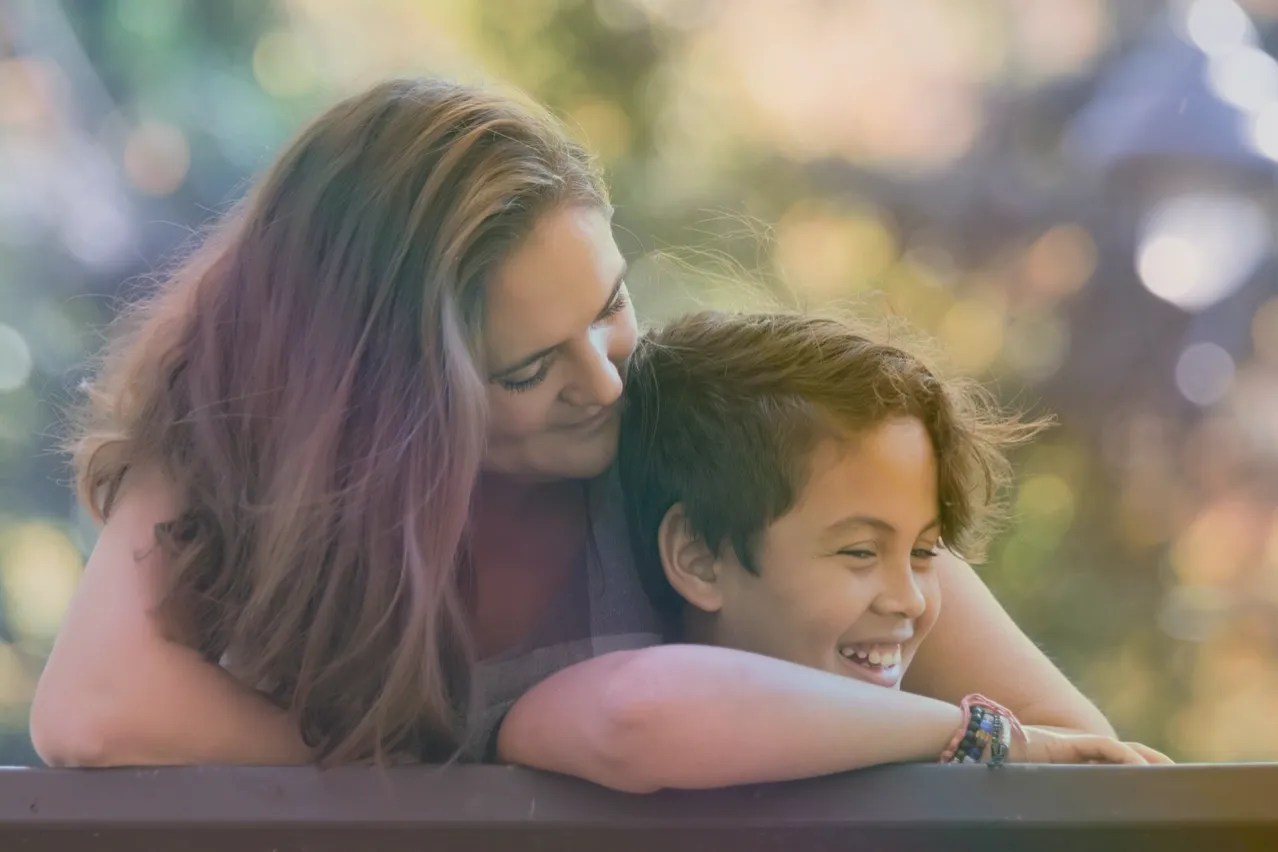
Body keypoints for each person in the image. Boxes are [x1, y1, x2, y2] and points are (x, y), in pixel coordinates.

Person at [31, 76, 1141, 785]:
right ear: (381, 398)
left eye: (610, 309)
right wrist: (476, 787)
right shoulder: (234, 451)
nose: (604, 387)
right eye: (525, 368)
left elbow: (1091, 764)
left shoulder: (703, 428)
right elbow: (93, 710)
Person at [595, 310, 1171, 776]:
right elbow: (634, 712)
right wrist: (970, 735)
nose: (911, 599)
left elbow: (1088, 759)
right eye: (860, 553)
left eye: (924, 553)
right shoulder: (624, 708)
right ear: (698, 558)